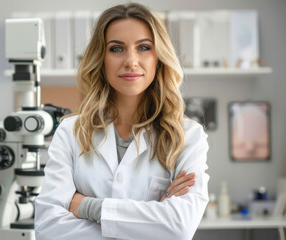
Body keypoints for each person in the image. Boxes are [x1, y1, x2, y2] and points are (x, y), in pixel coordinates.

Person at [34, 3, 209, 240]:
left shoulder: (188, 136)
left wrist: (86, 206)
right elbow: (48, 226)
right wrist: (151, 221)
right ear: (101, 58)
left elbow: (179, 227)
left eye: (144, 47)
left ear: (159, 57)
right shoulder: (71, 132)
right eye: (116, 49)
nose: (131, 61)